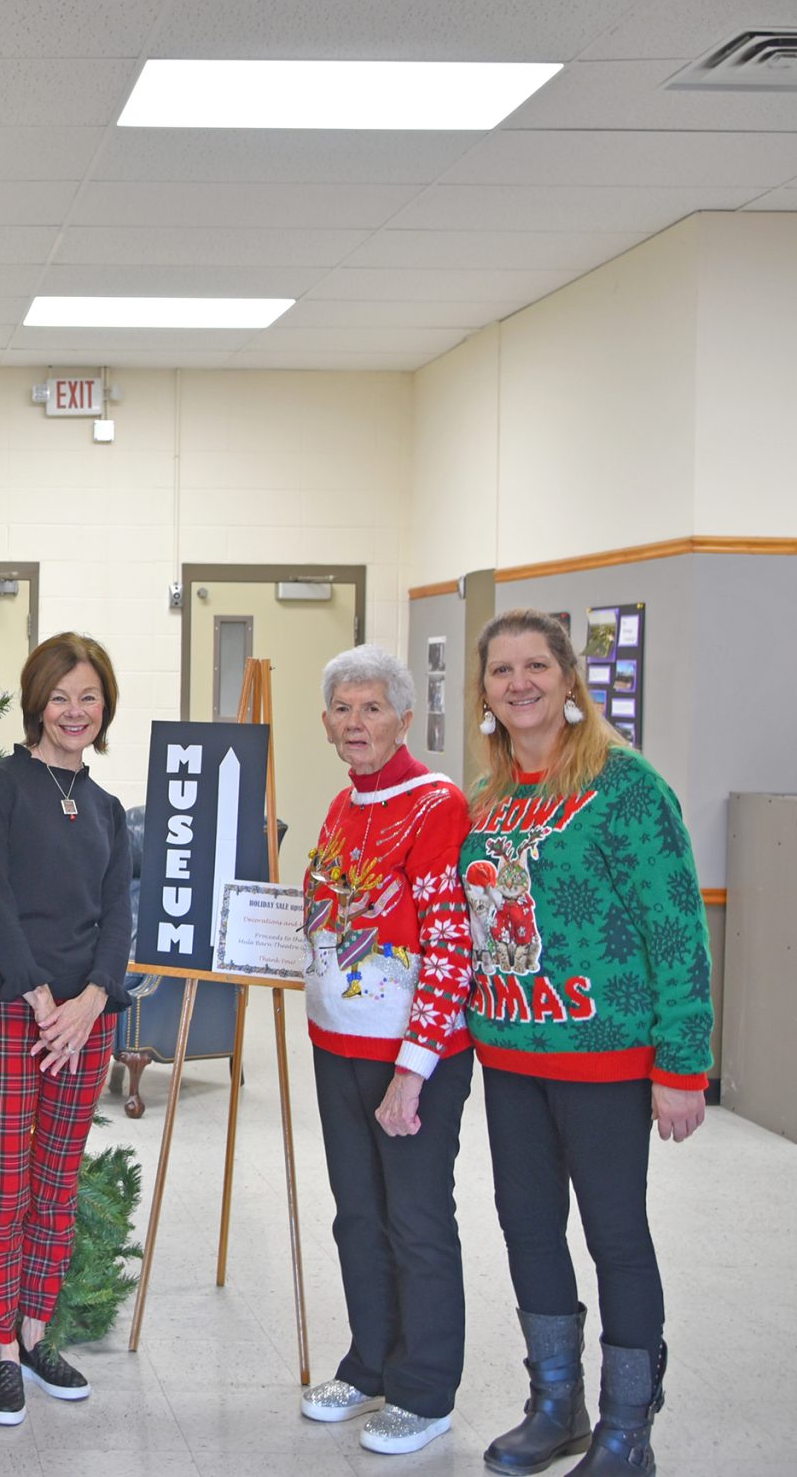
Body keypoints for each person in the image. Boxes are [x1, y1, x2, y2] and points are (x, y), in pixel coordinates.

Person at [461, 609, 712, 1477]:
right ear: (484, 691)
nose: (519, 683)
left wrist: (683, 1066)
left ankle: (626, 1429)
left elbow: (677, 930)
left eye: (536, 666)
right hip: (510, 1056)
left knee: (615, 1235)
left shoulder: (627, 787)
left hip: (604, 1058)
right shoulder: (488, 800)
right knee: (527, 1227)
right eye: (501, 671)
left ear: (570, 680)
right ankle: (555, 1403)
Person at [298, 646, 475, 1456]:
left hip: (412, 1057)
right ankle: (369, 1362)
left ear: (404, 717)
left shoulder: (436, 804)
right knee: (358, 1216)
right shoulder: (343, 805)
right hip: (336, 1045)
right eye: (343, 708)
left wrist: (414, 1069)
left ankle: (425, 1388)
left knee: (416, 1218)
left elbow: (449, 945)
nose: (356, 722)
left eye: (373, 708)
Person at [0, 632, 131, 1427]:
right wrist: (40, 999)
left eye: (88, 697)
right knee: (6, 1183)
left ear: (105, 707)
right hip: (5, 1011)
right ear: (36, 701)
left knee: (58, 1183)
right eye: (61, 696)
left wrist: (93, 999)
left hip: (84, 1021)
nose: (74, 711)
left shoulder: (103, 808)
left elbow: (117, 919)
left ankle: (35, 1331)